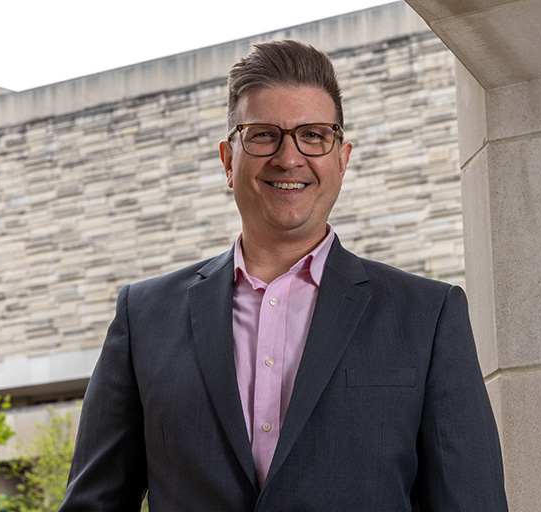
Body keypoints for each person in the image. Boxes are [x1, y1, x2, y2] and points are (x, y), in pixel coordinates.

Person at [58, 40, 507, 511]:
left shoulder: (427, 315)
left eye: (313, 135)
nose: (289, 157)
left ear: (342, 158)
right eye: (263, 134)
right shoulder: (144, 318)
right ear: (228, 160)